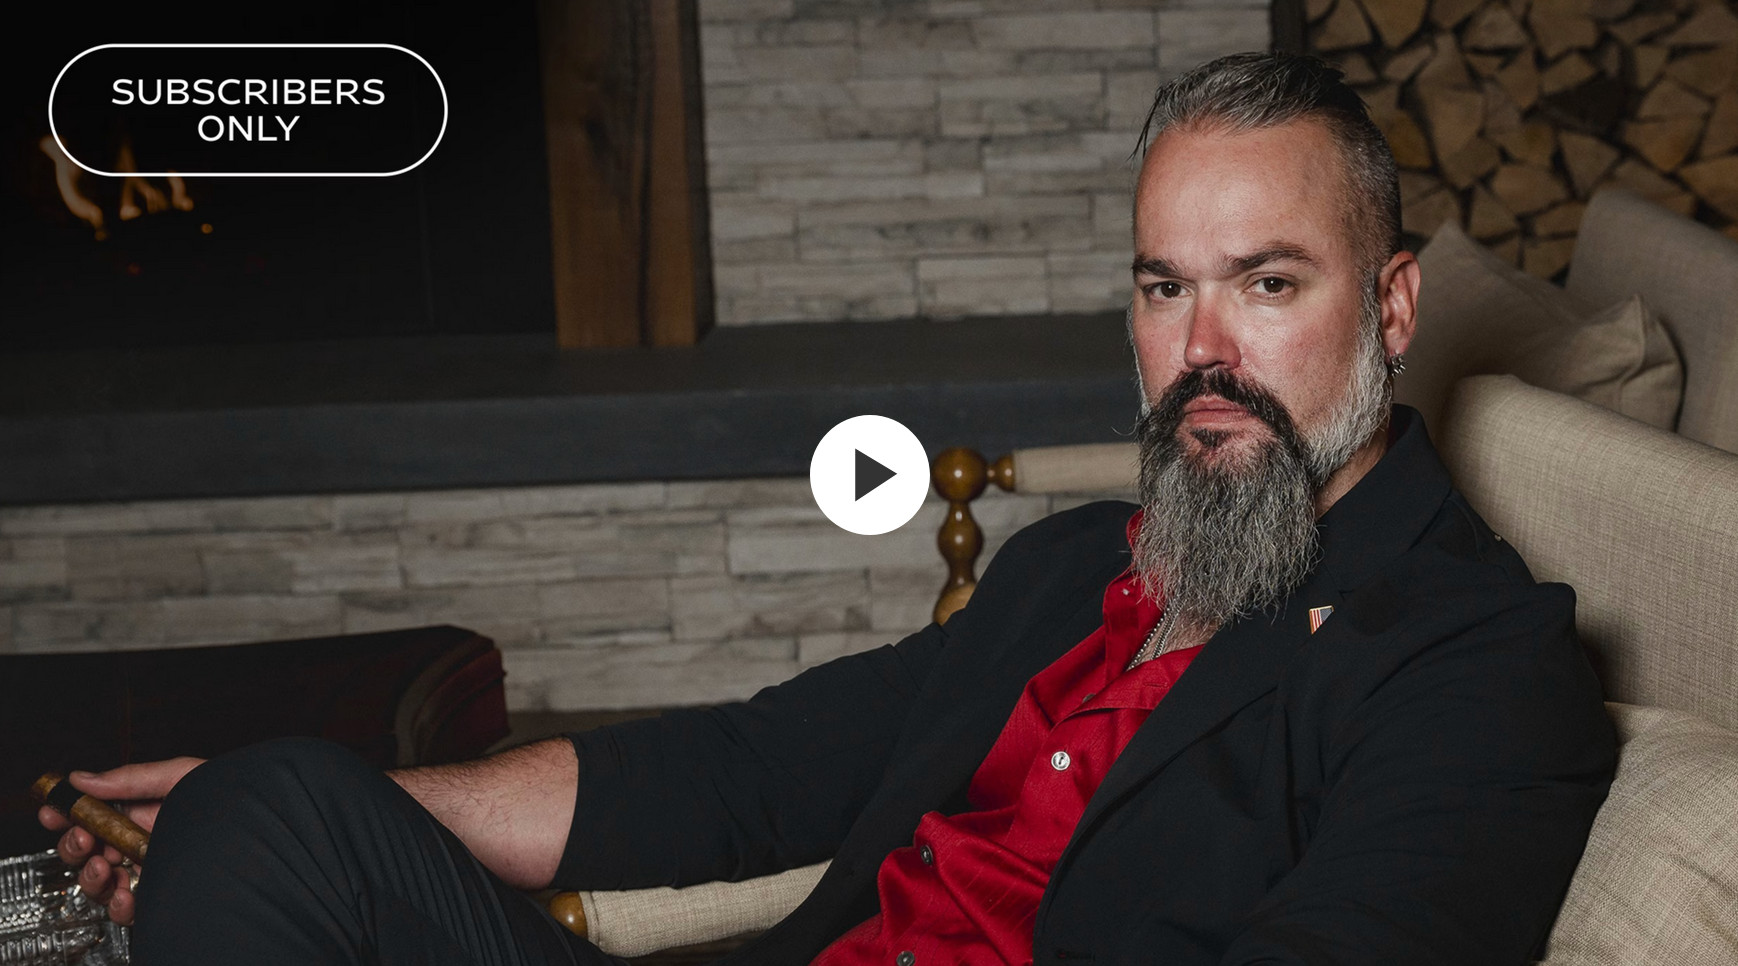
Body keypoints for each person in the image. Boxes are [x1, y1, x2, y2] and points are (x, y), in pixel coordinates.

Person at [42, 51, 1616, 965]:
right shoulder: (1080, 565)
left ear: (1390, 306)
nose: (1200, 350)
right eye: (1162, 287)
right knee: (271, 807)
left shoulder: (1471, 661)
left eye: (1265, 285)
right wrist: (385, 811)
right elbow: (752, 767)